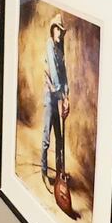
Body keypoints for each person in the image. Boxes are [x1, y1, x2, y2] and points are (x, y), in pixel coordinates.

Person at [40, 13, 70, 186]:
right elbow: (52, 72)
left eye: (61, 30)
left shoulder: (60, 49)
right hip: (50, 95)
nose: (59, 33)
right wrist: (61, 94)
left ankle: (60, 173)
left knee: (59, 137)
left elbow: (64, 75)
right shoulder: (49, 45)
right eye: (57, 29)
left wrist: (67, 97)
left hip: (57, 95)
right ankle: (44, 171)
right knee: (47, 136)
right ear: (52, 29)